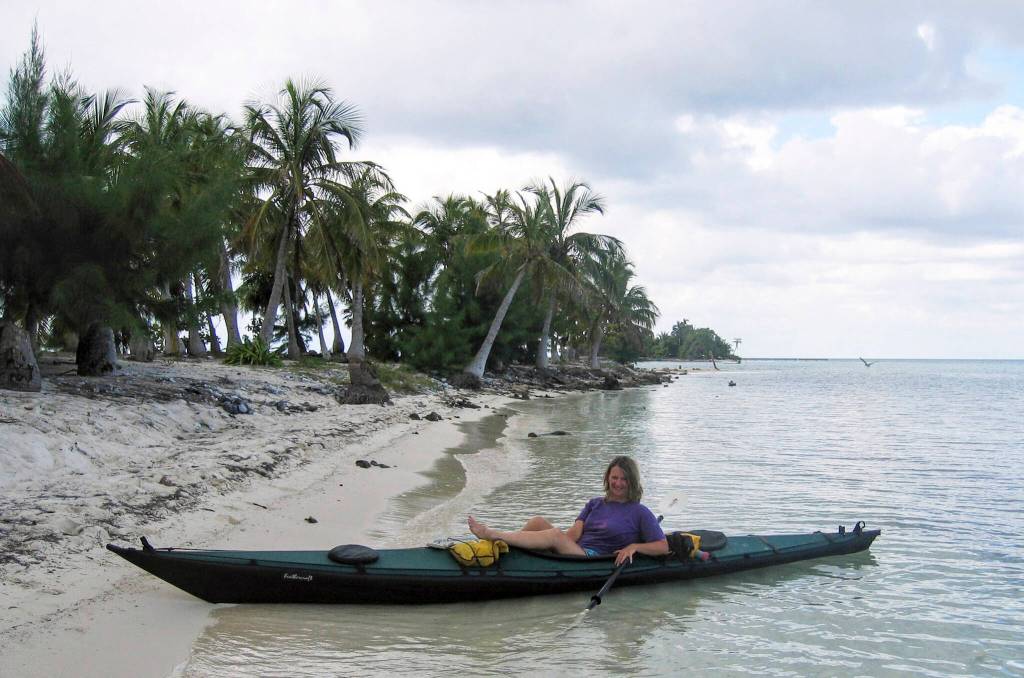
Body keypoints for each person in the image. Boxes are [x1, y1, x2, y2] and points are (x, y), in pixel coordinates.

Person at [467, 455, 669, 566]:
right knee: (538, 522)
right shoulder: (595, 504)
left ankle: (494, 535)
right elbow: (573, 534)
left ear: (631, 481)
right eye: (614, 477)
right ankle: (509, 554)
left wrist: (634, 546)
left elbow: (662, 546)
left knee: (554, 535)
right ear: (607, 477)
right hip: (576, 549)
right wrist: (556, 544)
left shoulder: (640, 512)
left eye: (624, 479)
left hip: (593, 559)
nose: (618, 483)